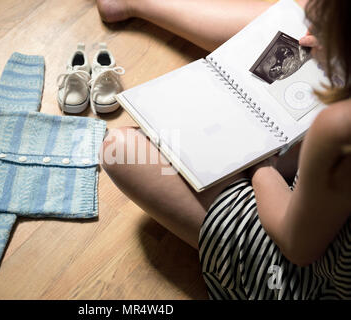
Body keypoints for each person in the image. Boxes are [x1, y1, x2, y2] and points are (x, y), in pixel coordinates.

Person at [97, 0, 351, 299]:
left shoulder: (338, 129)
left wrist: (260, 163)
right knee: (287, 17)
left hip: (304, 278)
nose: (309, 31)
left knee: (121, 148)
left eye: (320, 26)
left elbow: (296, 245)